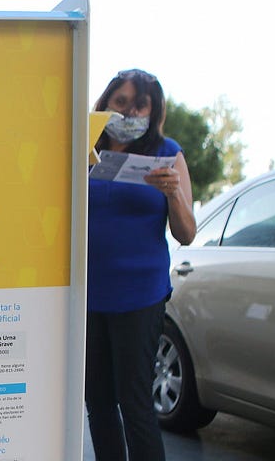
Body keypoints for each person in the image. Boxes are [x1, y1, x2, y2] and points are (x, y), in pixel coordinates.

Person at [85, 69, 196, 461]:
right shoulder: (83, 149)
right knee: (97, 401)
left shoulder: (168, 152)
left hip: (140, 296)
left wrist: (174, 195)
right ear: (105, 103)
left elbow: (186, 234)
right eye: (121, 102)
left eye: (139, 105)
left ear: (153, 111)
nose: (129, 112)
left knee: (135, 402)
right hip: (87, 295)